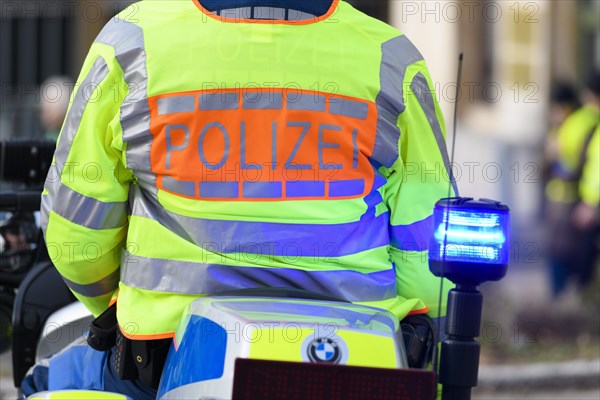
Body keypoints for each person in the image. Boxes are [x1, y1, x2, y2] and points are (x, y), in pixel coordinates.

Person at [27, 0, 455, 397]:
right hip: (357, 360)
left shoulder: (133, 43)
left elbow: (77, 238)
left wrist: (119, 307)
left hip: (164, 357)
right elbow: (429, 255)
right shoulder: (389, 55)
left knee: (49, 376)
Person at [546, 72, 600, 297]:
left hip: (567, 199)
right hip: (580, 199)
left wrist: (590, 202)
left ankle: (562, 303)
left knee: (560, 255)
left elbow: (557, 155)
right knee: (584, 257)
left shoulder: (577, 122)